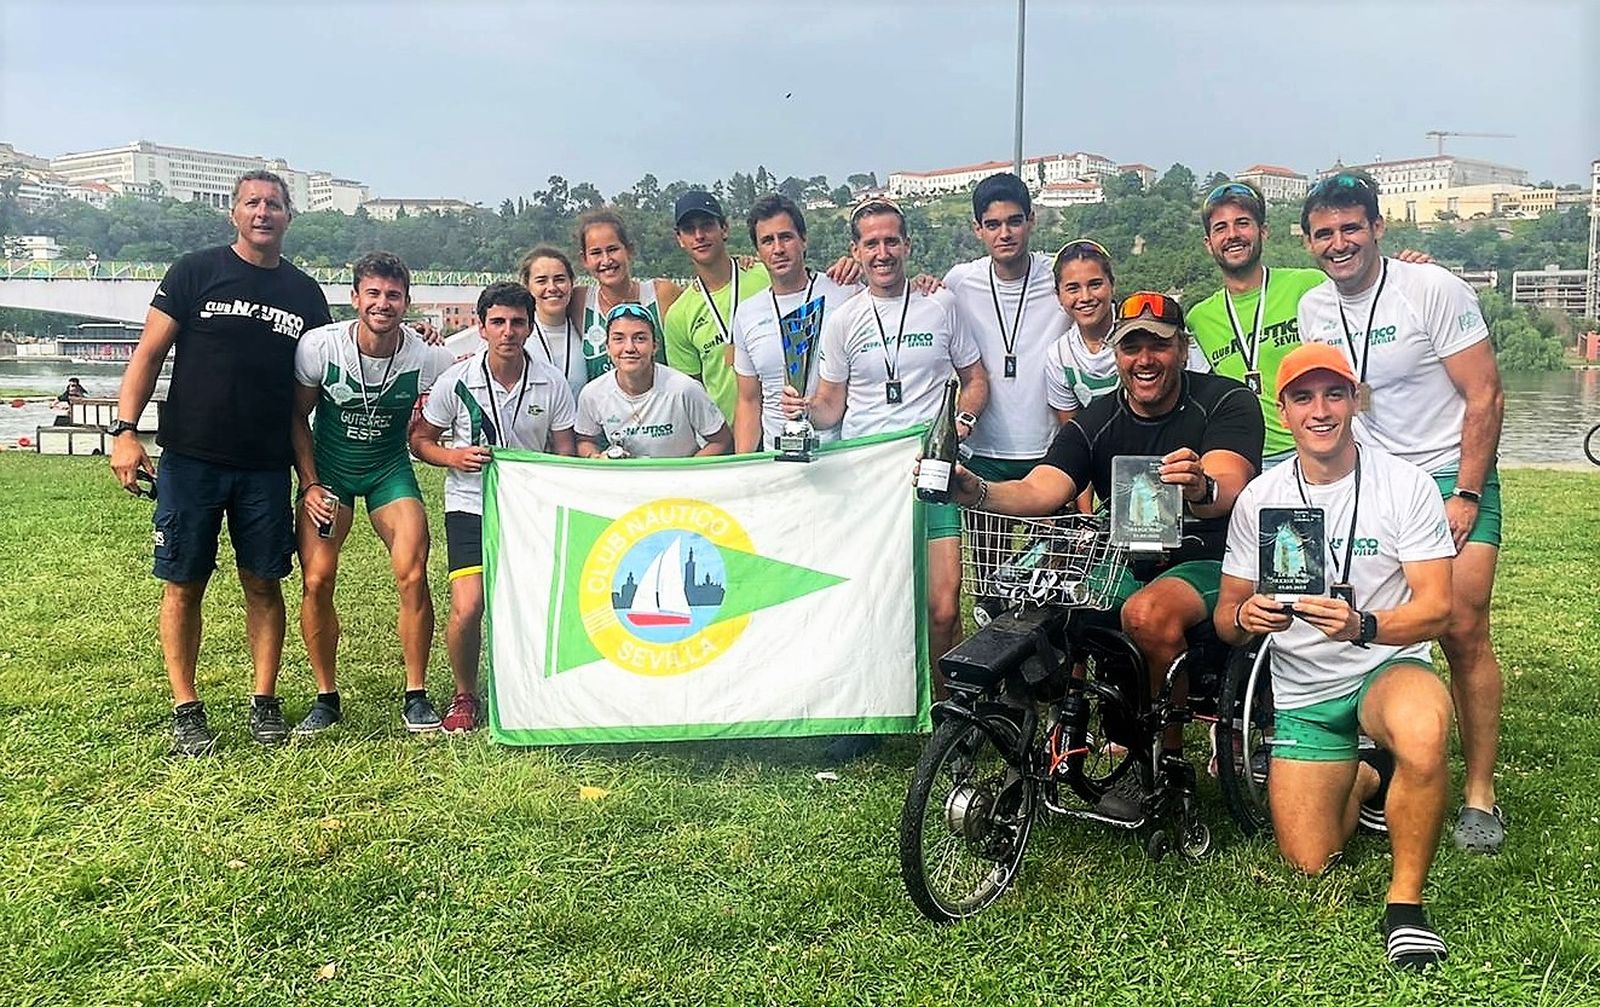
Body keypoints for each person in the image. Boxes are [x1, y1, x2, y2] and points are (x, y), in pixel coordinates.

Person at [947, 291, 1262, 809]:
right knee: (1041, 594)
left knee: (1146, 613)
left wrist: (1200, 486)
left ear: (1182, 349)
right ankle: (1046, 742)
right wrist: (976, 490)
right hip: (1125, 556)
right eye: (1130, 347)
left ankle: (1165, 762)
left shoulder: (1226, 400)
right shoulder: (1095, 419)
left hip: (1212, 553)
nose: (1144, 360)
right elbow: (1040, 488)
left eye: (1158, 346)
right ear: (1114, 355)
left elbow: (1229, 482)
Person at [1216, 342, 1456, 970]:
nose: (1319, 410)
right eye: (1303, 397)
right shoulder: (1260, 496)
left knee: (1425, 730)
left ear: (1355, 400)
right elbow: (1225, 614)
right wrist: (1245, 617)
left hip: (1384, 666)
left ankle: (1406, 907)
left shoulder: (1404, 485)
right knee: (1311, 862)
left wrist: (1364, 623)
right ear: (1284, 409)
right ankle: (1371, 775)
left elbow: (1437, 609)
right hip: (1302, 691)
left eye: (1333, 394)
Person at [1295, 169, 1508, 854]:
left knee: (1462, 623)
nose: (1339, 243)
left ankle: (1479, 792)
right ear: (1307, 241)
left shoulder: (1433, 288)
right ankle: (1386, 748)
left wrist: (1467, 492)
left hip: (1449, 472)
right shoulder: (1313, 308)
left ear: (1378, 227)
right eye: (1324, 233)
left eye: (1351, 227)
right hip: (1375, 481)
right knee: (1373, 614)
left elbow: (1485, 393)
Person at [109, 170, 332, 756]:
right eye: (253, 203)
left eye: (275, 205)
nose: (264, 212)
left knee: (264, 582)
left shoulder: (305, 295)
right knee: (183, 583)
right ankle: (187, 708)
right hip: (191, 459)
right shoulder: (194, 272)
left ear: (289, 217)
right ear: (234, 213)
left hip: (264, 464)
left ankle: (265, 701)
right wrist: (126, 432)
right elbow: (148, 354)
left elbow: (317, 385)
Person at [790, 196, 989, 670]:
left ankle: (950, 714)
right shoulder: (842, 321)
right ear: (855, 251)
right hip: (869, 480)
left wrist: (960, 424)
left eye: (891, 241)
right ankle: (883, 705)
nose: (883, 253)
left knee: (944, 608)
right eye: (871, 243)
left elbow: (976, 380)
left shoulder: (940, 305)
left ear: (907, 245)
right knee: (876, 604)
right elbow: (830, 407)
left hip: (933, 472)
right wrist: (804, 406)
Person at [290, 252, 455, 736]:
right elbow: (296, 417)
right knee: (317, 579)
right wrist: (311, 483)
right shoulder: (320, 347)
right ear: (356, 297)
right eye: (374, 294)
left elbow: (467, 385)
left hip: (388, 470)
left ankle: (417, 694)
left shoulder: (429, 356)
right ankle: (326, 697)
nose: (383, 304)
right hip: (331, 473)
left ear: (407, 303)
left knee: (413, 572)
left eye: (394, 296)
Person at [411, 282, 578, 733]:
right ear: (482, 328)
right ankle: (465, 693)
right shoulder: (456, 380)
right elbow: (420, 440)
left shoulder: (551, 382)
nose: (508, 332)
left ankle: (538, 689)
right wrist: (452, 457)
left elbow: (564, 453)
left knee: (537, 605)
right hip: (469, 505)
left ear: (529, 327)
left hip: (529, 509)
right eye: (498, 322)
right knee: (469, 607)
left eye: (517, 322)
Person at [1188, 179, 1431, 470]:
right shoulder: (1198, 318)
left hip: (1316, 449)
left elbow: (1369, 288)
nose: (1233, 235)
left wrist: (1412, 272)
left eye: (1243, 223)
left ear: (1263, 231)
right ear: (1208, 243)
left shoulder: (1310, 286)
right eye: (1220, 228)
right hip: (1243, 457)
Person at [940, 173, 1071, 482]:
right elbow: (921, 306)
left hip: (1049, 449)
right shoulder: (959, 281)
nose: (1005, 233)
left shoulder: (1058, 274)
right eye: (993, 224)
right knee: (985, 534)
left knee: (1053, 533)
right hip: (982, 451)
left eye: (1014, 221)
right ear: (977, 229)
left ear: (1031, 221)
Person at [731, 194, 860, 452]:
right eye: (767, 241)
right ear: (758, 252)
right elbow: (748, 400)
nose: (778, 249)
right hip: (777, 458)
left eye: (786, 237)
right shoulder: (746, 314)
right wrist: (741, 467)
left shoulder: (845, 292)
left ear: (803, 240)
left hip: (840, 453)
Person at [1045, 238, 1210, 425]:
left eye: (1095, 284)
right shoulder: (1059, 356)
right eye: (1073, 288)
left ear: (1112, 285)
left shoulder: (1154, 327)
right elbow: (1072, 432)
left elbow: (1205, 393)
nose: (1085, 297)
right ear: (1058, 295)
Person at [662, 190, 771, 423]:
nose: (699, 235)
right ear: (680, 239)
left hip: (783, 426)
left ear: (725, 228)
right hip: (728, 440)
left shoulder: (765, 276)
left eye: (707, 225)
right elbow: (691, 392)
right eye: (690, 229)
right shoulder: (679, 314)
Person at [576, 303, 731, 459]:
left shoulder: (685, 389)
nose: (629, 348)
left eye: (640, 338)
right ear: (607, 348)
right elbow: (585, 440)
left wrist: (684, 472)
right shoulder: (592, 394)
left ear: (655, 346)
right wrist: (594, 456)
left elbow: (721, 440)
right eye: (619, 339)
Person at [573, 208, 679, 379]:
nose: (606, 260)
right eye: (596, 253)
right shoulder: (579, 302)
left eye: (613, 249)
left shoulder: (661, 295)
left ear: (629, 250)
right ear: (584, 259)